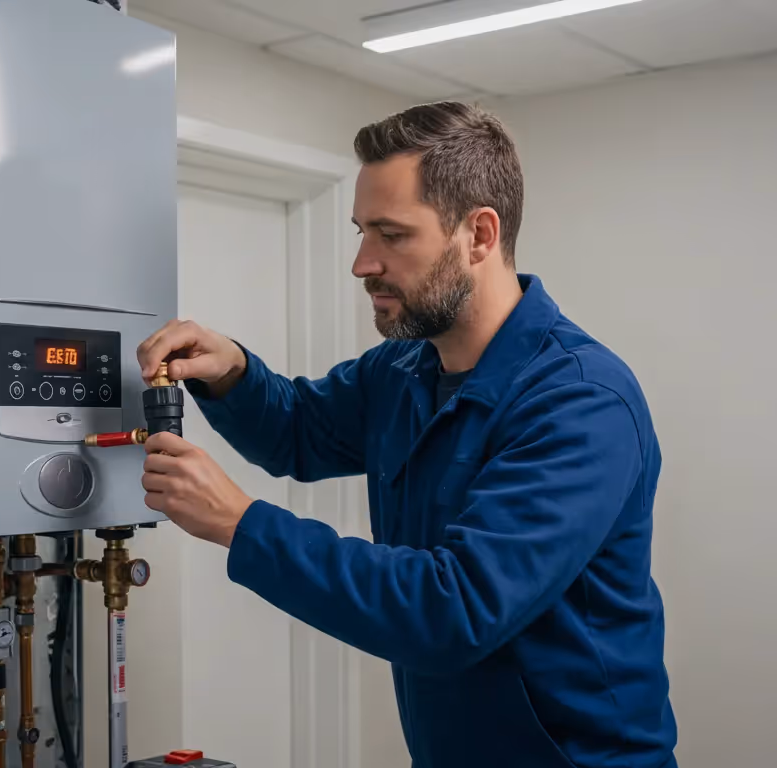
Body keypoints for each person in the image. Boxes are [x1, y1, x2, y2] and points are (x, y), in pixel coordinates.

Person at [135, 101, 677, 768]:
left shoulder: (579, 403)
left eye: (391, 234)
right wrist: (232, 373)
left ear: (479, 235)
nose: (362, 263)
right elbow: (299, 431)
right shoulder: (404, 367)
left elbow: (454, 610)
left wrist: (241, 525)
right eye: (361, 231)